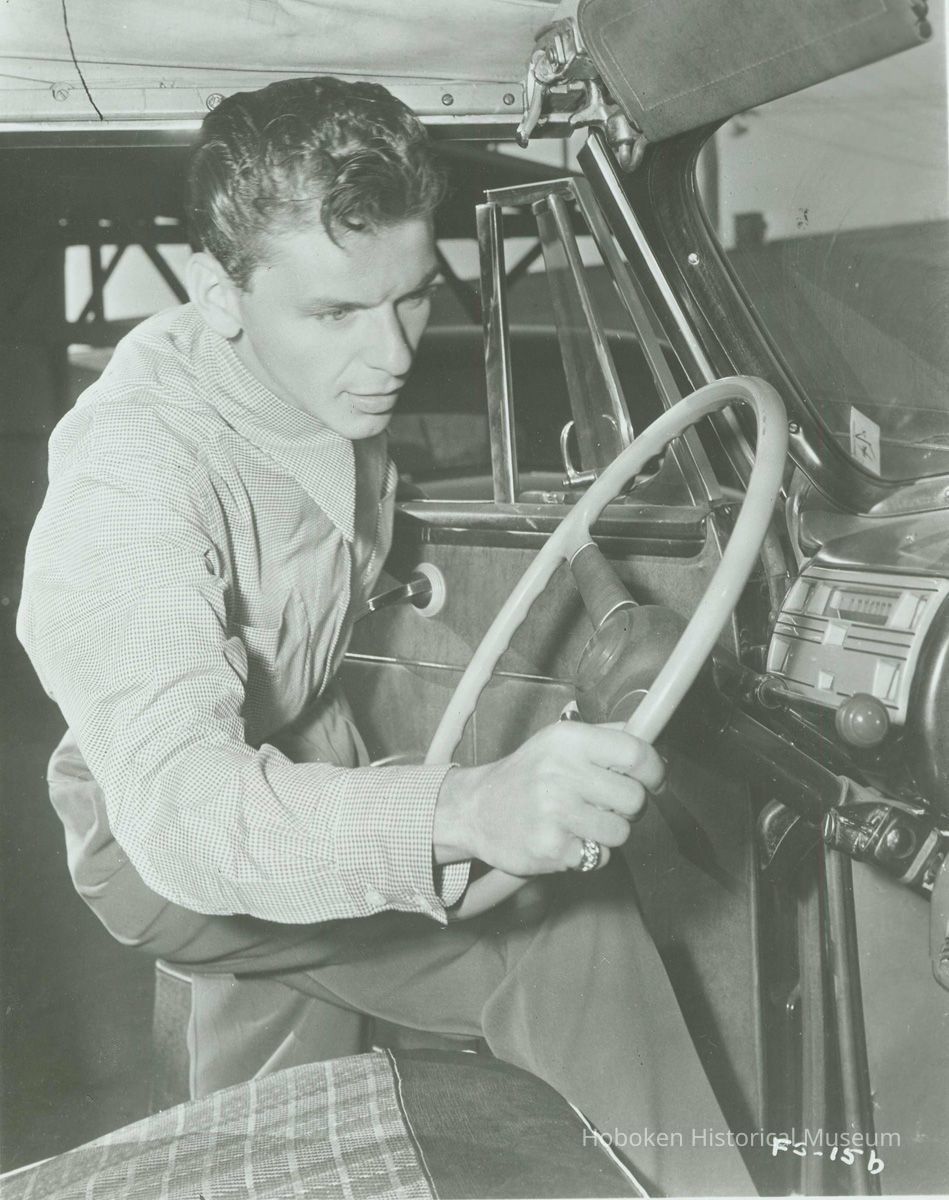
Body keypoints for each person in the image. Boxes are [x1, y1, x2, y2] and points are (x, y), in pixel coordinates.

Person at [18, 76, 754, 1195]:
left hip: (305, 753)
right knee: (560, 926)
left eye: (409, 298)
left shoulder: (317, 383)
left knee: (283, 1112)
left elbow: (340, 528)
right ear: (220, 296)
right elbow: (182, 813)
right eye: (336, 313)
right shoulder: (131, 474)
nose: (394, 353)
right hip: (159, 831)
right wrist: (464, 807)